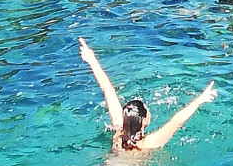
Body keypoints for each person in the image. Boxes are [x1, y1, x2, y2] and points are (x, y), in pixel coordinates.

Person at [79, 37, 218, 151]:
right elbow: (176, 121)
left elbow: (108, 90)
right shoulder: (148, 143)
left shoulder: (118, 132)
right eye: (147, 109)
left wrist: (92, 60)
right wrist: (200, 99)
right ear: (144, 120)